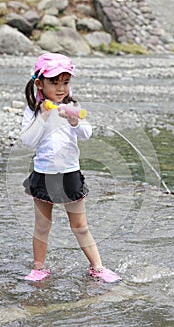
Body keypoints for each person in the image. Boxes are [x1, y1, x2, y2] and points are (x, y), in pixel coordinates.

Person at [21, 52, 121, 283]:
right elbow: (28, 141)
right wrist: (44, 117)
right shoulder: (34, 111)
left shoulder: (72, 106)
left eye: (65, 82)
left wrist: (75, 121)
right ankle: (39, 268)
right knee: (43, 225)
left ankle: (97, 267)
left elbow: (87, 134)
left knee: (80, 226)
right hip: (44, 174)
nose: (60, 88)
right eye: (54, 82)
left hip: (69, 173)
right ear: (39, 83)